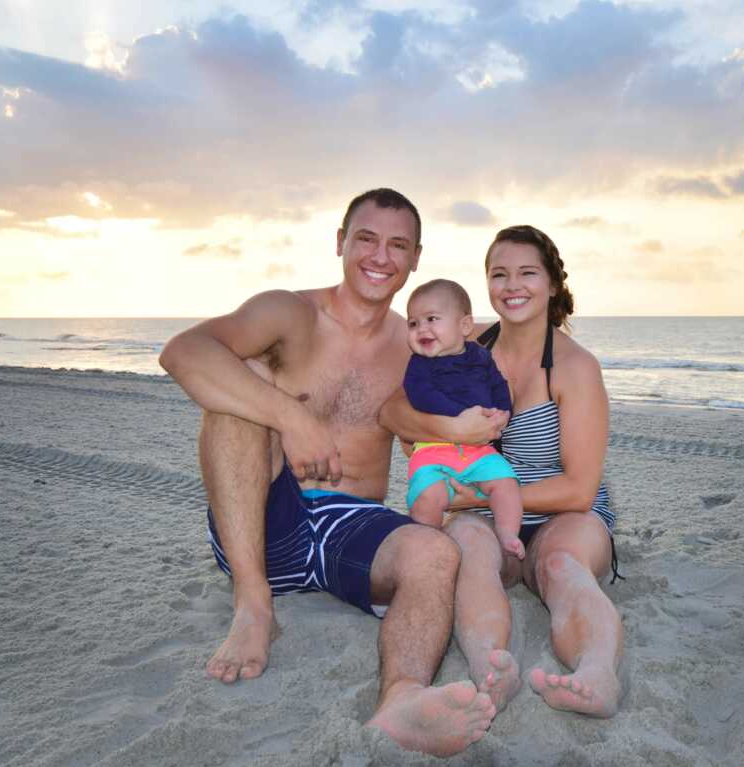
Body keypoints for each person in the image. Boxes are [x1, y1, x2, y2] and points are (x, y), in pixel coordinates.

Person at [159, 188, 498, 757]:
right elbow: (184, 352)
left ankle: (401, 700)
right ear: (340, 242)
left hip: (353, 522)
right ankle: (253, 605)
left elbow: (502, 354)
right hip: (268, 523)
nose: (380, 256)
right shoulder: (288, 312)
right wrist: (290, 415)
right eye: (366, 238)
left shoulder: (418, 340)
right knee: (237, 384)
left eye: (398, 245)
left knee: (435, 555)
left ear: (416, 258)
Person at [381, 225, 624, 717]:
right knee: (470, 551)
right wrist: (448, 426)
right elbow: (392, 411)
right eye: (499, 274)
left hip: (563, 509)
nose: (512, 285)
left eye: (527, 273)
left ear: (553, 284)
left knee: (558, 566)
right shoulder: (463, 348)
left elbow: (579, 489)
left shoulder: (574, 367)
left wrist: (472, 500)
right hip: (490, 505)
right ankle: (490, 669)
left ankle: (598, 674)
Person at [403, 278, 524, 559]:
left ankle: (507, 533)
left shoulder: (481, 357)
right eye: (413, 323)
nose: (422, 328)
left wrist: (503, 412)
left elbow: (497, 384)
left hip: (479, 450)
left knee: (506, 484)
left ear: (465, 326)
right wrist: (459, 418)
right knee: (428, 496)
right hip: (433, 450)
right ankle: (427, 542)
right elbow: (420, 394)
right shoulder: (419, 364)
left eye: (431, 319)